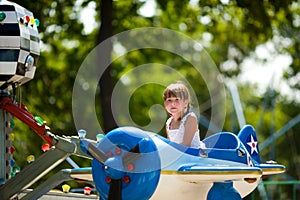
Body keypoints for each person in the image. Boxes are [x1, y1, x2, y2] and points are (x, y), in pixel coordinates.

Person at [163, 81, 205, 149]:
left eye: (177, 99)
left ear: (185, 103)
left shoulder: (190, 118)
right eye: (169, 100)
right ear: (165, 104)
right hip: (178, 155)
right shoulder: (168, 123)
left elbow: (185, 145)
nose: (173, 104)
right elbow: (169, 144)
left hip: (194, 156)